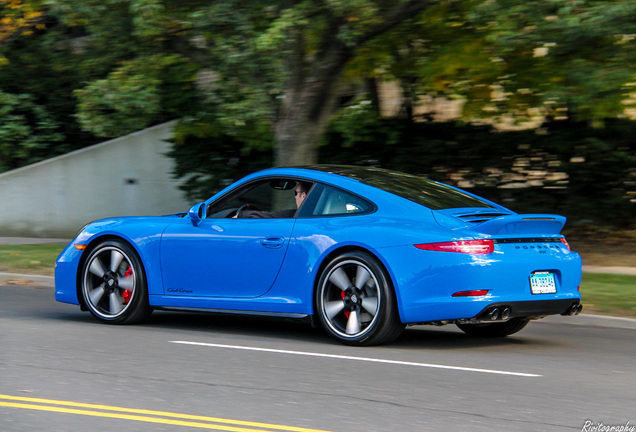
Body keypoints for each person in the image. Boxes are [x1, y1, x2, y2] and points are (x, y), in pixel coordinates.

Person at [235, 181, 312, 218]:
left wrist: (241, 215)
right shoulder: (316, 214)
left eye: (296, 193)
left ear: (303, 196)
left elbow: (269, 216)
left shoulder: (295, 215)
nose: (295, 197)